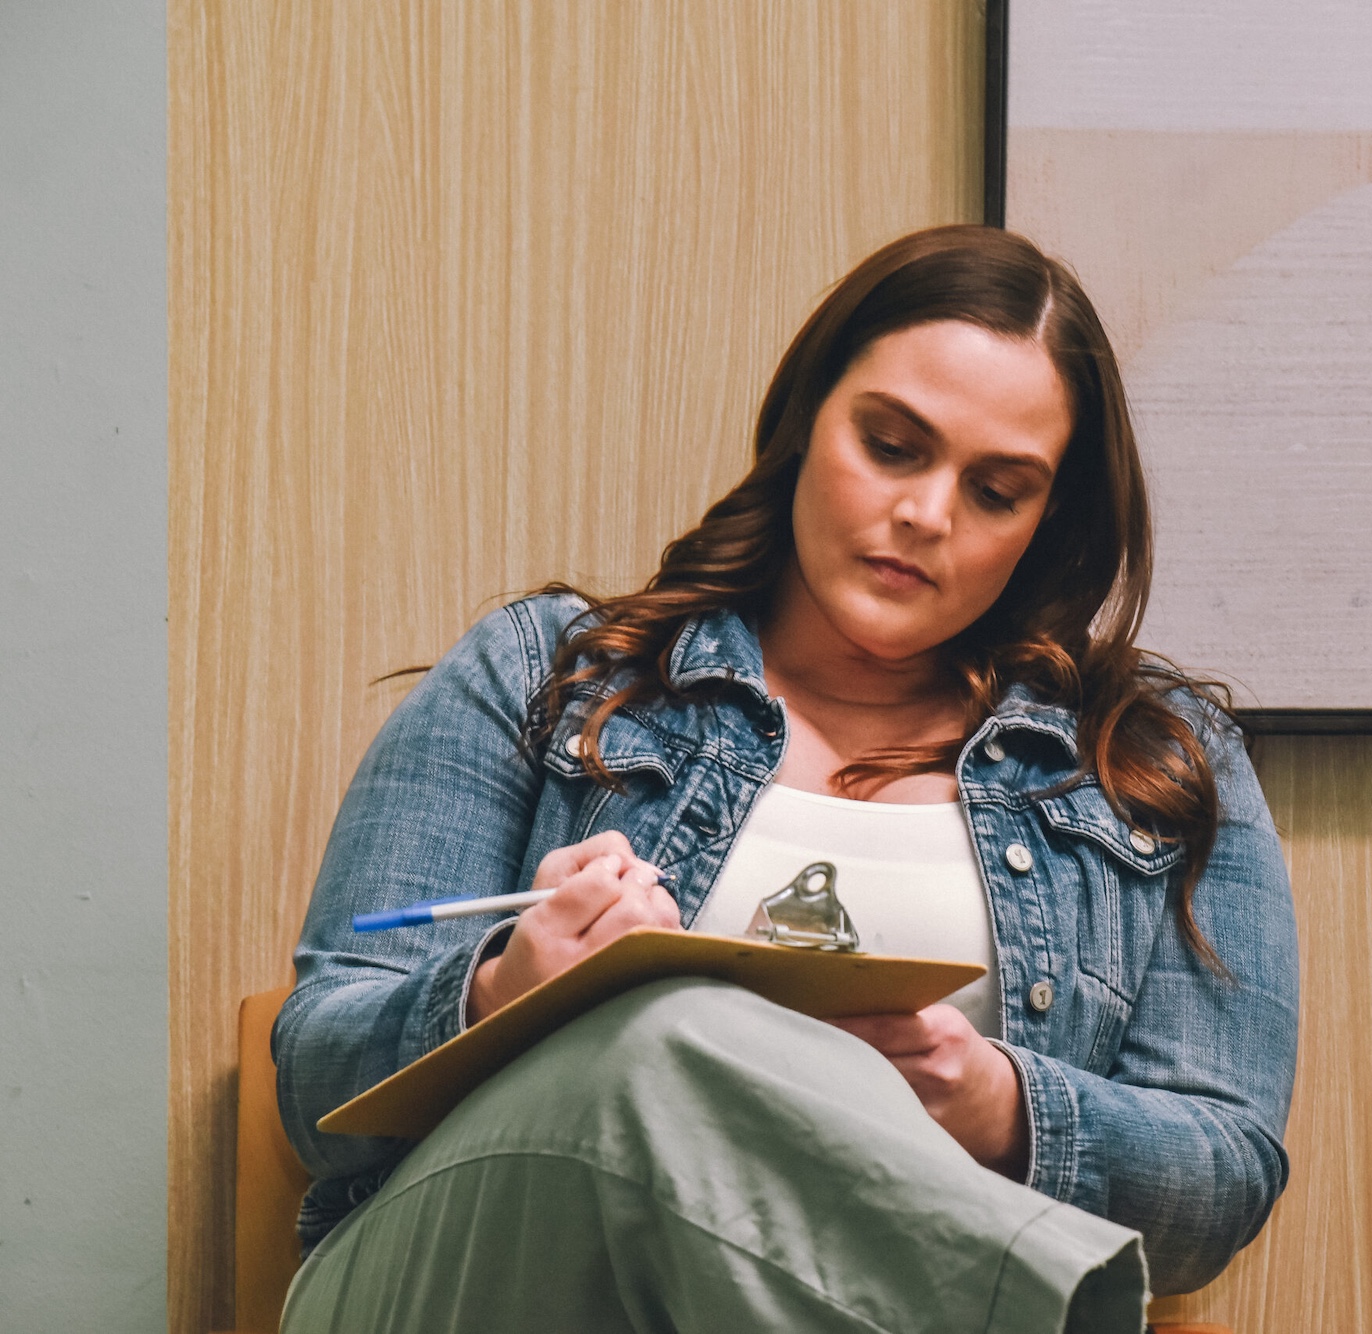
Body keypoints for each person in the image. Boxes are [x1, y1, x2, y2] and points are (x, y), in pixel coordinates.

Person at [274, 225, 1299, 1333]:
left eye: (996, 490)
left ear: (1044, 526)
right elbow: (314, 1092)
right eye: (893, 445)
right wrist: (499, 992)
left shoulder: (1147, 753)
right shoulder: (544, 672)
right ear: (808, 419)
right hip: (476, 1279)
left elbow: (1220, 1181)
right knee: (656, 1048)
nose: (925, 514)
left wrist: (999, 1105)